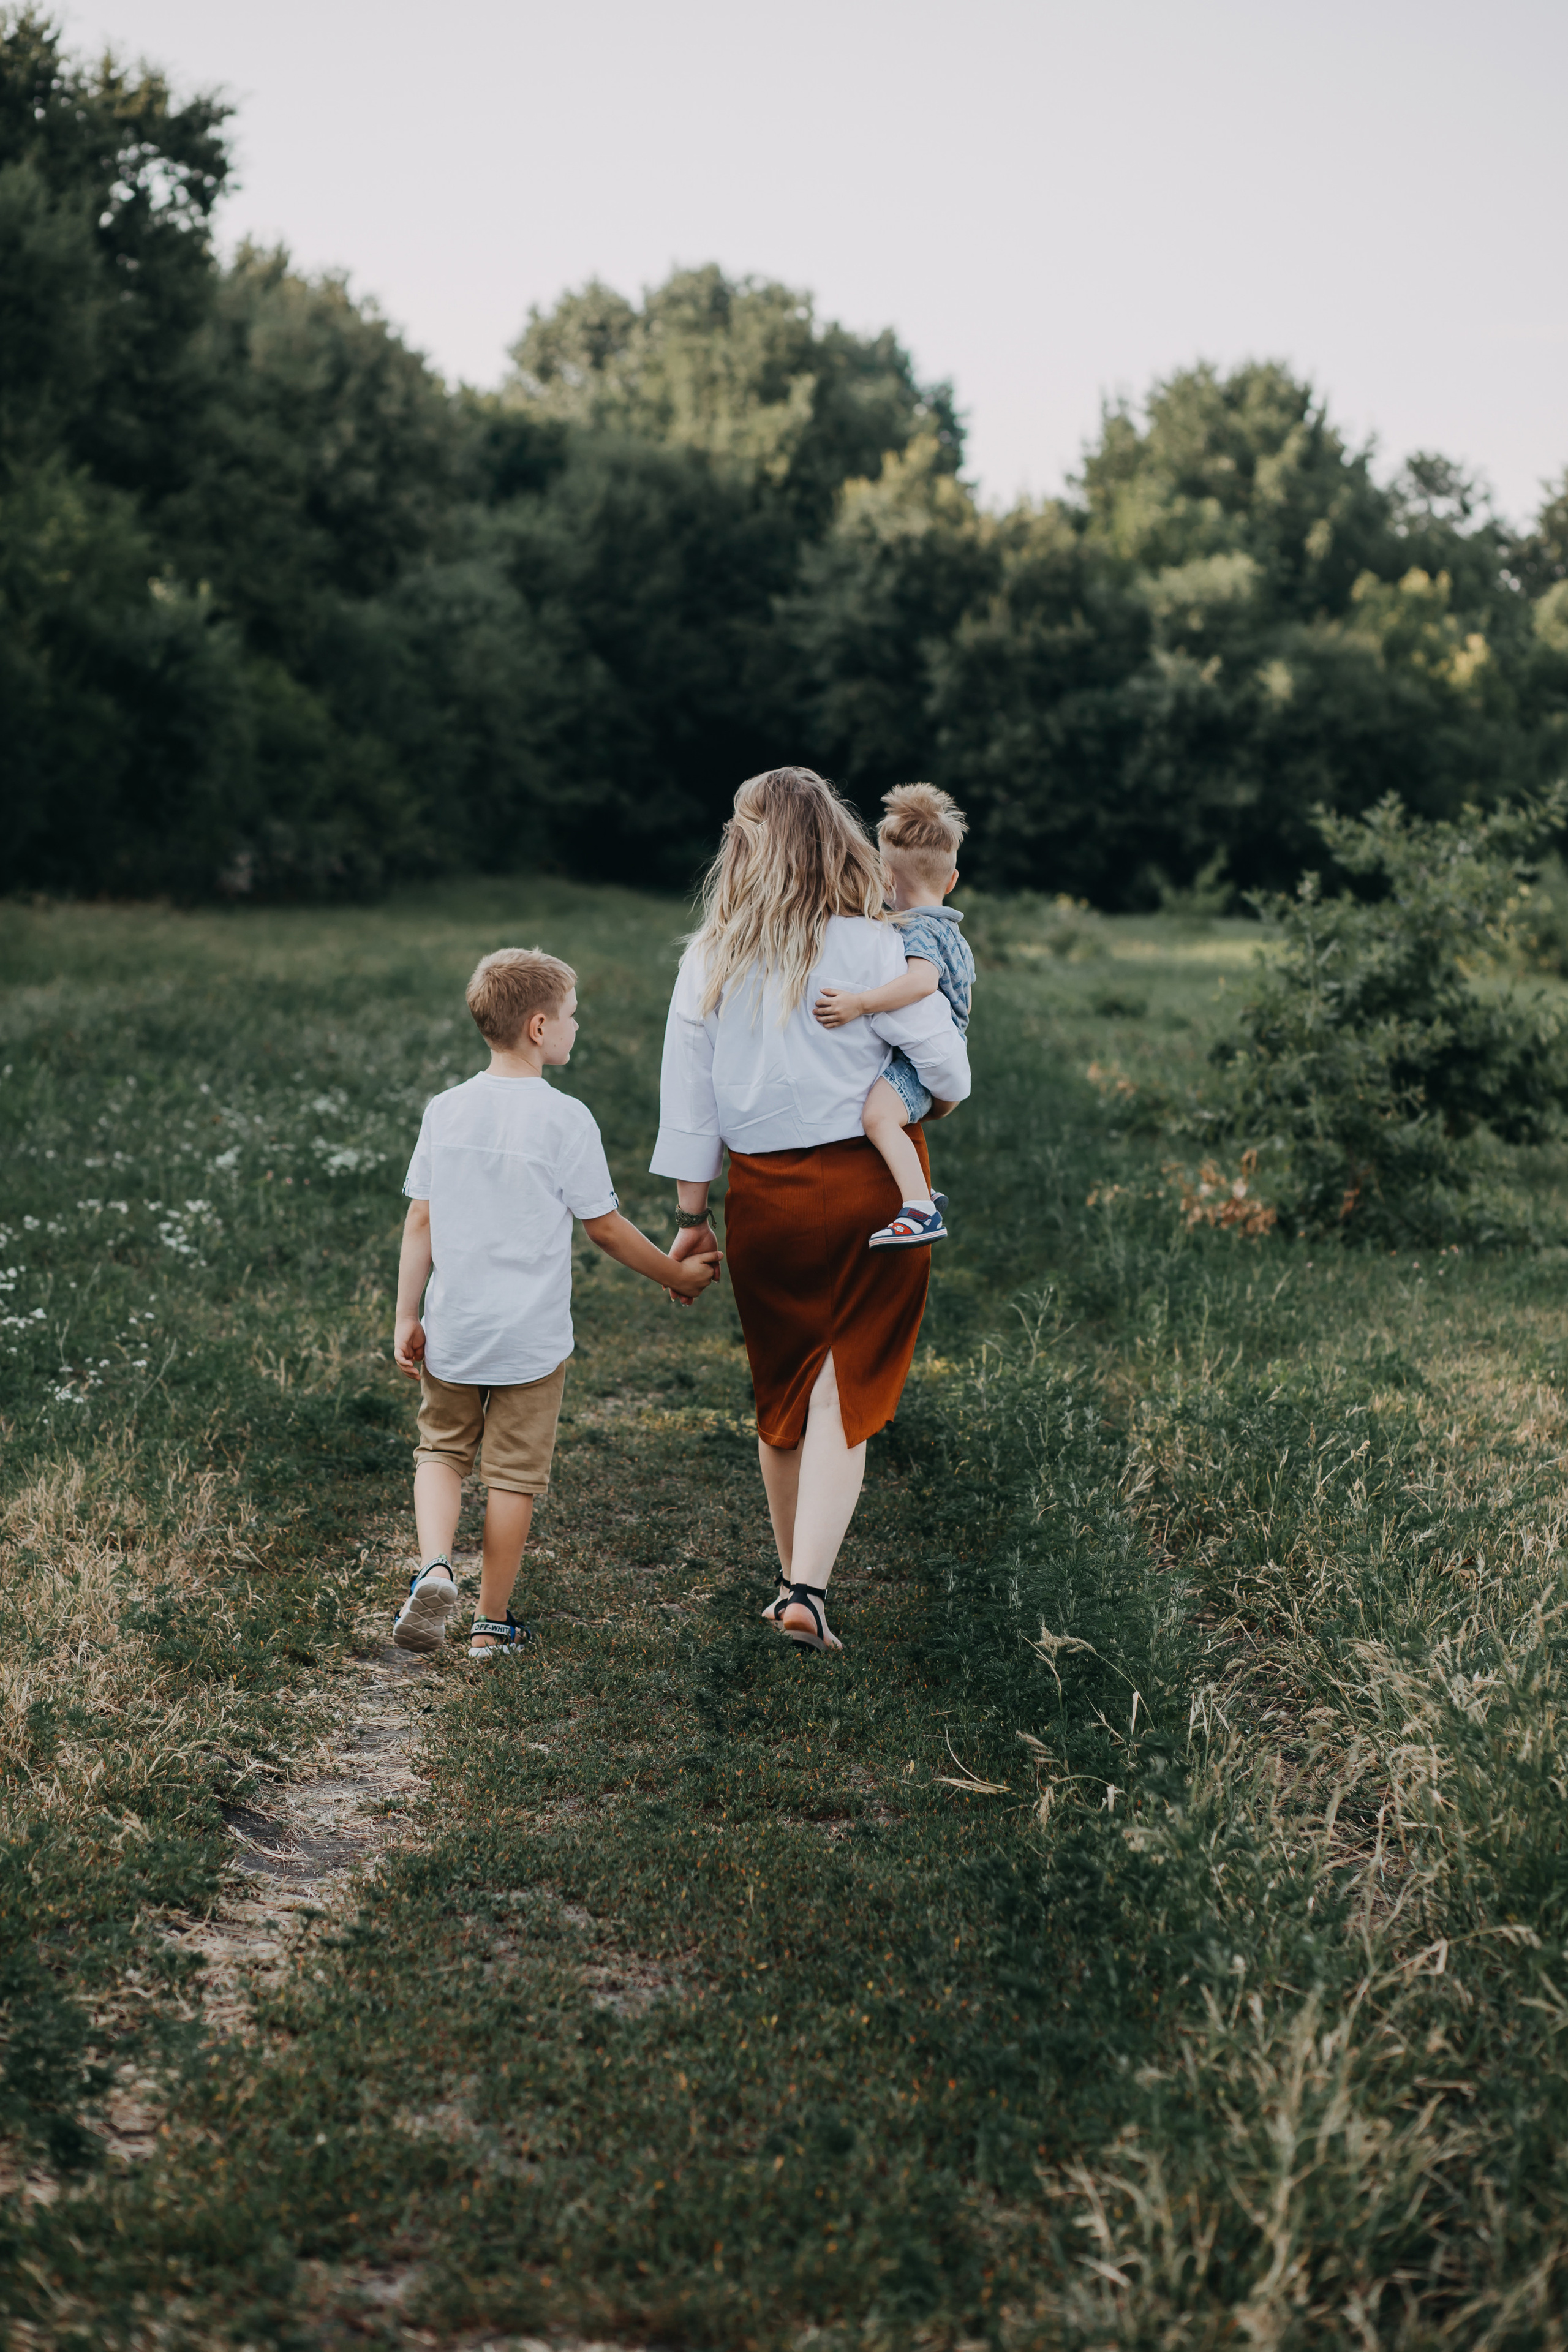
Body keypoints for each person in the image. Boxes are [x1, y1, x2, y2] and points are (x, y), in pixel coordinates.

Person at [652, 767, 971, 1654]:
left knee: (783, 1389)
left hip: (763, 1201)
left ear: (743, 847)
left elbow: (690, 1104)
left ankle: (792, 1578)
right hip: (869, 1188)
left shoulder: (708, 956)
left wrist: (692, 1214)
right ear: (836, 839)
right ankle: (808, 1589)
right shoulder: (877, 948)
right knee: (846, 1386)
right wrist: (925, 1106)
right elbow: (948, 1071)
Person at [393, 947, 719, 1659]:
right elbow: (604, 1227)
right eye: (572, 1017)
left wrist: (406, 1315)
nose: (579, 1027)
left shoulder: (445, 1110)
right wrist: (675, 1272)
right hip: (531, 1342)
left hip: (454, 1326)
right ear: (539, 1027)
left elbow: (420, 1220)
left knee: (441, 1452)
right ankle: (490, 1622)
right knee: (512, 1475)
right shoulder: (565, 1119)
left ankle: (435, 1567)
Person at [812, 783, 974, 1249]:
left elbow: (922, 983)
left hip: (922, 1062)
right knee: (885, 1117)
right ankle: (918, 1190)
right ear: (951, 881)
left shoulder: (921, 929)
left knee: (878, 1118)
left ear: (885, 880)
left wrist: (858, 1004)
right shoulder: (949, 929)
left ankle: (920, 1211)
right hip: (938, 1052)